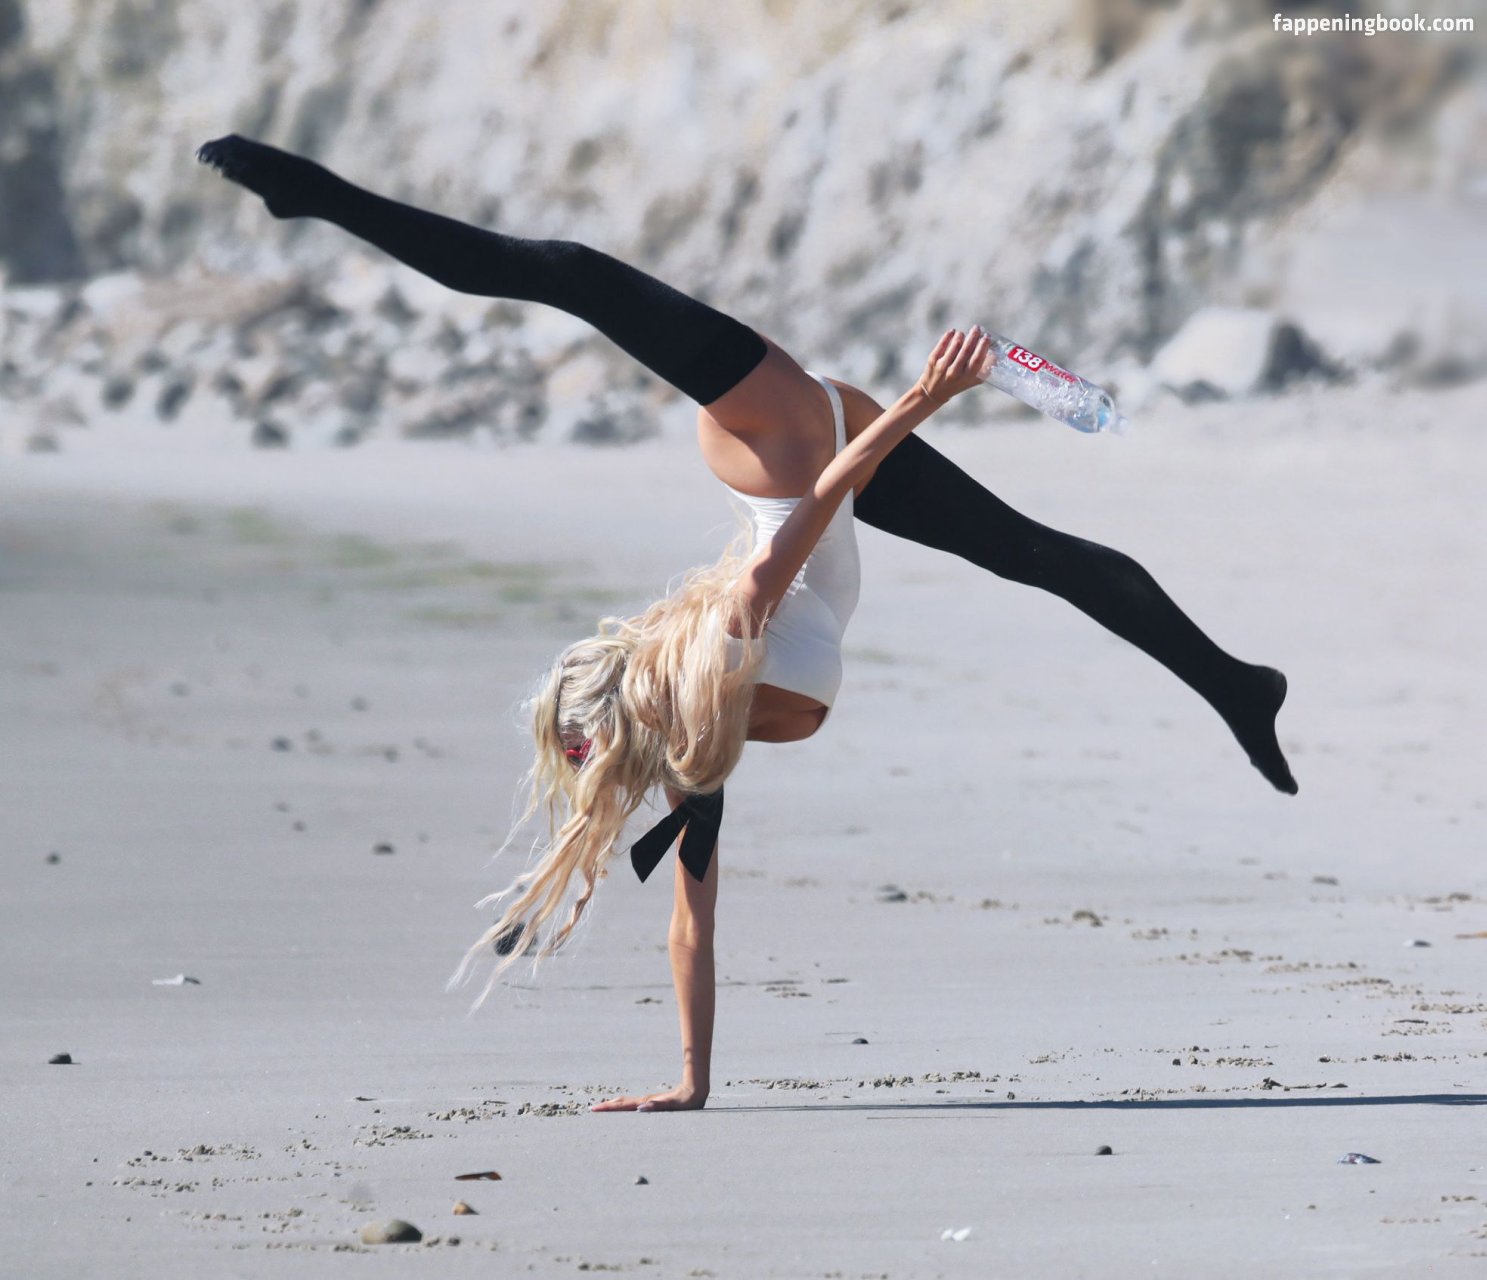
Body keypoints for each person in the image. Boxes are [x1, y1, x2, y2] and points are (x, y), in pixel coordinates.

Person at [198, 134, 1296, 1112]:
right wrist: (926, 397)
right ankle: (318, 195)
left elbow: (693, 924)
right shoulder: (723, 629)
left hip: (812, 632)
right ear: (624, 674)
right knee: (570, 273)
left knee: (1033, 555)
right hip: (797, 439)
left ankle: (1237, 686)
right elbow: (823, 492)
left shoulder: (697, 750)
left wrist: (691, 1081)